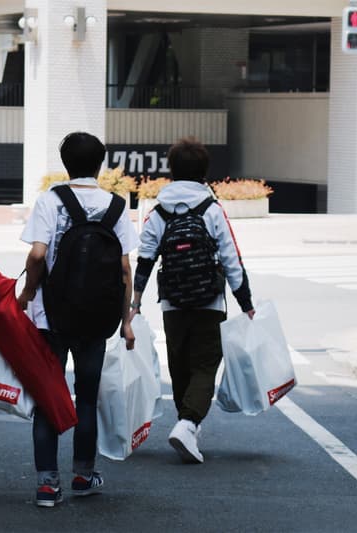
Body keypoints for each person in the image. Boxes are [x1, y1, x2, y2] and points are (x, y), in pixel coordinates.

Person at [17, 132, 139, 507]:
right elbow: (123, 268)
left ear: (65, 163)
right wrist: (126, 320)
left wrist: (26, 294)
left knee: (47, 396)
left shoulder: (50, 201)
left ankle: (47, 485)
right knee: (86, 398)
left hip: (51, 316)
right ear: (100, 165)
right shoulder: (116, 206)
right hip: (97, 318)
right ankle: (84, 475)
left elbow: (37, 255)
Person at [130, 137, 254, 464]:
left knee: (180, 362)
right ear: (203, 171)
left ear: (172, 170)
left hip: (172, 301)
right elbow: (231, 259)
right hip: (208, 300)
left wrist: (135, 303)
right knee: (205, 364)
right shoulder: (212, 209)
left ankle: (187, 425)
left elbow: (145, 260)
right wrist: (246, 302)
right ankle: (188, 424)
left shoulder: (158, 212)